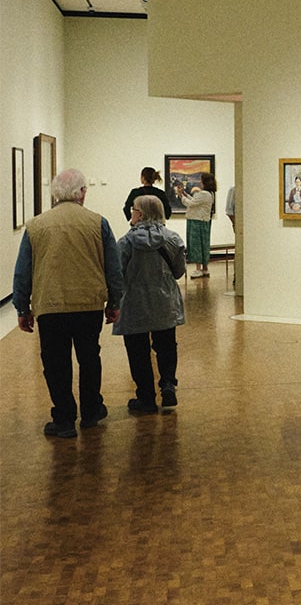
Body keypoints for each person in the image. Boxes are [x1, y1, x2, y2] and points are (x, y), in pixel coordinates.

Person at [11, 168, 123, 438]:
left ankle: (63, 419)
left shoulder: (35, 225)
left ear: (55, 194)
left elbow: (23, 270)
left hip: (50, 306)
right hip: (88, 304)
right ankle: (91, 411)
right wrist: (114, 301)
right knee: (89, 357)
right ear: (81, 192)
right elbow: (114, 267)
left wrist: (22, 307)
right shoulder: (98, 222)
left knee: (55, 363)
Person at [114, 195, 186, 414]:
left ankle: (145, 397)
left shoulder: (126, 242)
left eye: (133, 209)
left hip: (134, 304)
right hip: (165, 302)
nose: (131, 213)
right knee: (166, 345)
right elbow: (179, 272)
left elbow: (117, 273)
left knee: (138, 351)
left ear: (141, 213)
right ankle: (168, 384)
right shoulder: (172, 239)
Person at [177, 171, 216, 277]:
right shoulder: (210, 194)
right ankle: (205, 268)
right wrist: (185, 194)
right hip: (203, 222)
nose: (200, 183)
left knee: (196, 245)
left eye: (201, 181)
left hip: (196, 222)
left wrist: (181, 195)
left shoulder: (204, 194)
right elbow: (195, 200)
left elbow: (190, 203)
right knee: (204, 245)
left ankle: (198, 269)